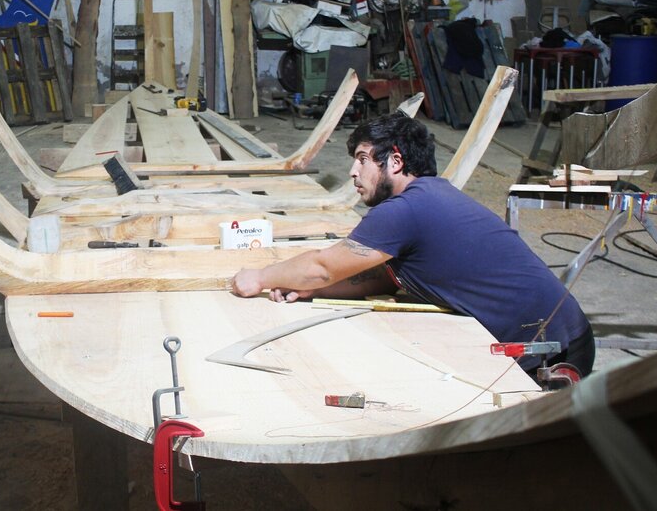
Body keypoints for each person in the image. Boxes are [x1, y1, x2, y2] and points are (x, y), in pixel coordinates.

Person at [230, 112, 595, 379]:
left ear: (395, 161)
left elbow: (322, 266)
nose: (353, 173)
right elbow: (382, 278)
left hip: (550, 354)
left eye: (362, 160)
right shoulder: (431, 195)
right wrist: (314, 290)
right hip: (565, 334)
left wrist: (260, 276)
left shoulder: (405, 210)